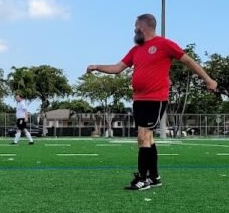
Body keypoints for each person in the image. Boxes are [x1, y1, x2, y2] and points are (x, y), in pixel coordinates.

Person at [86, 13, 218, 191]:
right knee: (148, 138)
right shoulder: (136, 50)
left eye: (135, 26)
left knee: (143, 136)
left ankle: (143, 178)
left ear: (143, 26)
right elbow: (118, 68)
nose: (134, 30)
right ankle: (154, 177)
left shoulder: (164, 44)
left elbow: (188, 61)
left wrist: (208, 80)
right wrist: (97, 66)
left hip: (155, 99)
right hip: (138, 99)